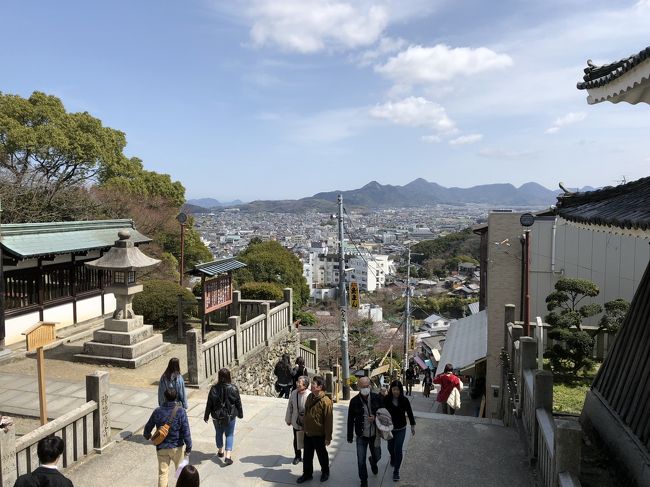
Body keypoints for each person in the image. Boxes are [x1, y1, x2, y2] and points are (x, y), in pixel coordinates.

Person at [143, 388, 192, 487]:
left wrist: (148, 436)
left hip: (162, 447)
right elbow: (186, 431)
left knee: (163, 474)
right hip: (177, 447)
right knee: (181, 473)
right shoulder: (181, 411)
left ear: (165, 397)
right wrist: (189, 446)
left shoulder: (157, 411)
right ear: (176, 397)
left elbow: (147, 428)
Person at [203, 367, 244, 465]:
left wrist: (206, 415)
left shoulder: (213, 389)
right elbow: (238, 402)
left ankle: (220, 451)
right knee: (229, 434)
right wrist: (240, 414)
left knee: (218, 432)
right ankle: (228, 456)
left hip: (216, 416)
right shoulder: (233, 388)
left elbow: (209, 403)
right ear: (228, 376)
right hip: (230, 416)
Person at [347, 376, 382, 487]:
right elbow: (350, 419)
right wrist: (349, 435)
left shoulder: (376, 398)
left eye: (367, 386)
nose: (365, 388)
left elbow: (384, 413)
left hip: (374, 434)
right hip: (361, 435)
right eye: (363, 387)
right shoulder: (354, 401)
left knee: (378, 455)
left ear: (370, 386)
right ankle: (364, 481)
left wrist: (375, 417)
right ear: (358, 387)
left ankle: (373, 461)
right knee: (361, 460)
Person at [297, 376, 333, 484]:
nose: (311, 385)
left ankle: (325, 472)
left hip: (319, 434)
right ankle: (307, 474)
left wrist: (328, 437)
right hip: (308, 432)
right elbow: (307, 413)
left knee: (321, 454)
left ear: (320, 387)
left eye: (313, 383)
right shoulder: (310, 397)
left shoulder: (326, 401)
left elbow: (328, 421)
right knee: (307, 455)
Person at [383, 380, 416, 482]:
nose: (396, 392)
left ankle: (396, 471)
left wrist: (412, 425)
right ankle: (392, 457)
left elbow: (409, 412)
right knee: (390, 447)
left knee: (398, 449)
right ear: (391, 390)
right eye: (394, 389)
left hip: (401, 428)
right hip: (390, 429)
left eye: (397, 390)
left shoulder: (404, 400)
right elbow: (380, 409)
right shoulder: (386, 399)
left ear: (400, 390)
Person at [285, 375, 311, 465]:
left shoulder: (309, 395)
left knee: (307, 440)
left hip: (306, 422)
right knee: (296, 439)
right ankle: (297, 456)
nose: (297, 384)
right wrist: (288, 419)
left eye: (299, 383)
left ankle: (307, 457)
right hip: (296, 420)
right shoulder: (294, 393)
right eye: (297, 382)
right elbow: (290, 407)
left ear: (305, 385)